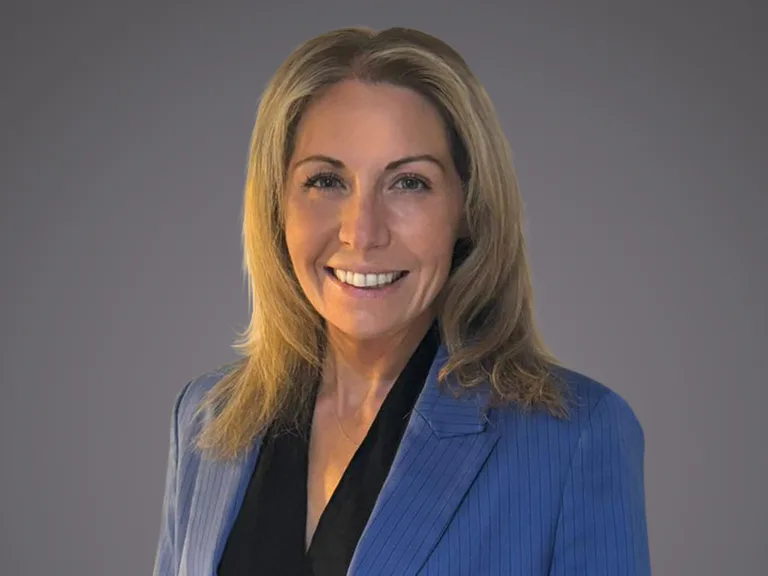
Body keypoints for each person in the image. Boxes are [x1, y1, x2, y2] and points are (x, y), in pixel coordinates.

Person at [152, 26, 650, 576]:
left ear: (468, 207)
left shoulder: (575, 437)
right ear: (278, 205)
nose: (362, 233)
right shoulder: (206, 420)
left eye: (409, 183)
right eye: (326, 181)